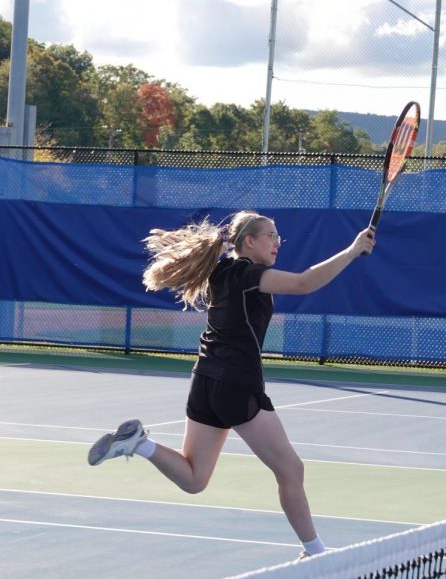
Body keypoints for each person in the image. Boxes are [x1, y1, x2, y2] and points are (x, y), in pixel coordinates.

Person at [88, 210, 375, 559]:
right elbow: (304, 283)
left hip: (206, 381)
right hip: (236, 383)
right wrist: (352, 250)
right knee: (291, 470)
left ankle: (140, 444)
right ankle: (314, 551)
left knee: (195, 480)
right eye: (270, 235)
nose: (277, 242)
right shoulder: (245, 272)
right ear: (249, 241)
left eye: (278, 236)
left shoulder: (221, 271)